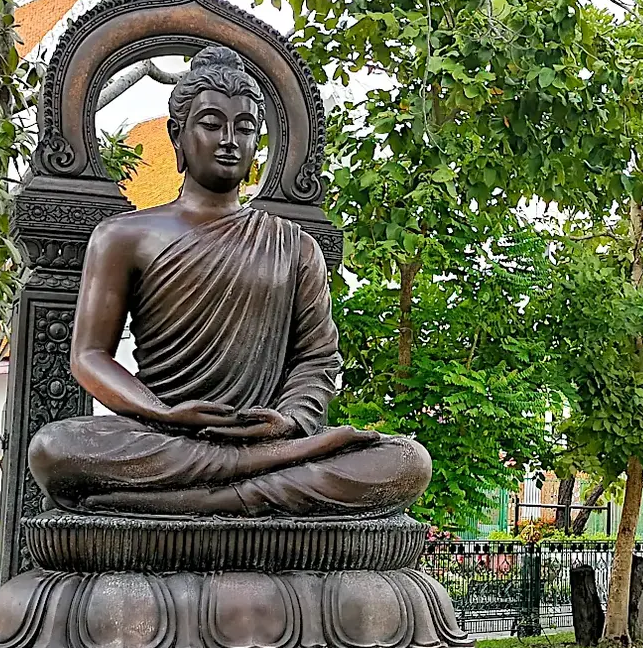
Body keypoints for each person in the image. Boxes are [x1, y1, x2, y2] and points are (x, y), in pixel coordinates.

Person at [28, 46, 431, 518]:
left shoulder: (294, 246)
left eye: (244, 128)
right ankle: (259, 476)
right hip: (167, 435)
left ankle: (212, 495)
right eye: (212, 124)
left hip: (266, 436)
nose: (229, 141)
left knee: (407, 461)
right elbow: (89, 356)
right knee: (54, 449)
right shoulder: (124, 236)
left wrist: (291, 421)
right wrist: (161, 413)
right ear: (177, 134)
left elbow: (318, 358)